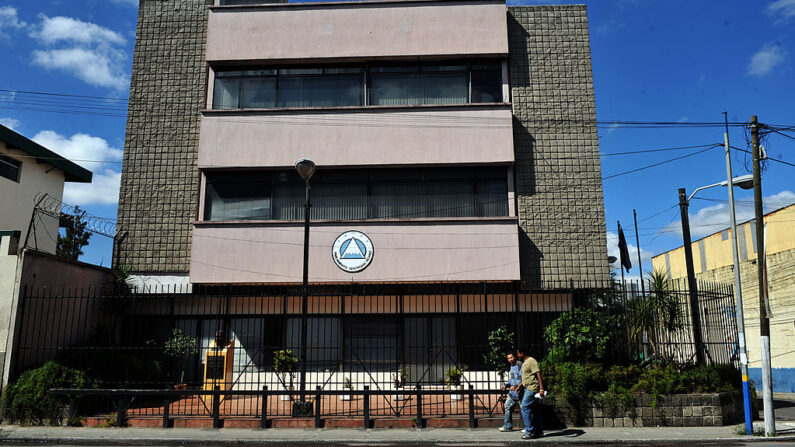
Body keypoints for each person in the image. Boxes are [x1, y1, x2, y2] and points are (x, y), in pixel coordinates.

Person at [516, 347, 544, 439]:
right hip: (527, 387)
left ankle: (529, 431)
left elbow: (538, 374)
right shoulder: (525, 363)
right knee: (535, 409)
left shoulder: (531, 361)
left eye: (518, 353)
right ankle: (539, 431)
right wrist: (519, 386)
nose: (517, 355)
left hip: (532, 388)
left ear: (522, 353)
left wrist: (541, 388)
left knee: (524, 406)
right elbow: (526, 377)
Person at [499, 351, 523, 432]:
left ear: (515, 357)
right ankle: (508, 426)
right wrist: (506, 385)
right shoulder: (511, 366)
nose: (510, 359)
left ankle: (527, 427)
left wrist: (516, 386)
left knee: (524, 409)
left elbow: (522, 378)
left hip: (520, 391)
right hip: (512, 392)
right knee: (507, 406)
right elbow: (512, 379)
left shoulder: (520, 364)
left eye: (511, 357)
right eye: (508, 358)